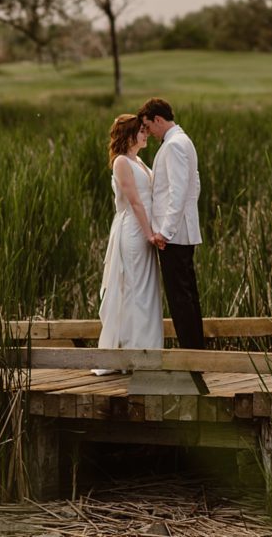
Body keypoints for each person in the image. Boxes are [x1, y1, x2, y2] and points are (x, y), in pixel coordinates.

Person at [93, 114, 163, 374]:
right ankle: (133, 353)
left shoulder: (139, 161)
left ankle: (148, 351)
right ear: (130, 135)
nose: (146, 135)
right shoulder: (122, 162)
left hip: (144, 230)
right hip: (133, 232)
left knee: (147, 290)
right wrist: (149, 234)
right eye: (141, 131)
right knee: (134, 288)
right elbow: (134, 202)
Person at [137, 97, 205, 350]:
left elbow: (178, 191)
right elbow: (194, 185)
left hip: (174, 236)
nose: (149, 132)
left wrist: (165, 231)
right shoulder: (183, 141)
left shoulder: (174, 145)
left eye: (148, 126)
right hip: (182, 231)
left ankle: (192, 354)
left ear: (158, 119)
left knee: (180, 298)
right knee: (187, 295)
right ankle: (196, 351)